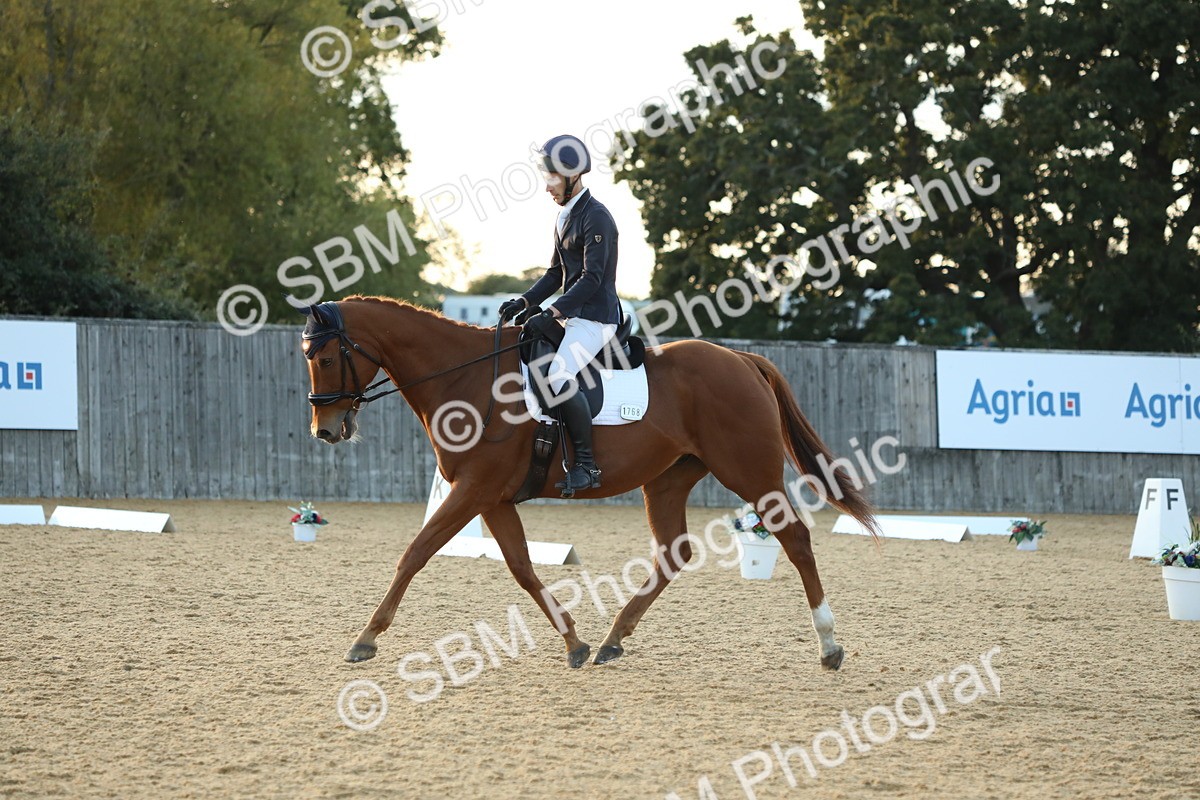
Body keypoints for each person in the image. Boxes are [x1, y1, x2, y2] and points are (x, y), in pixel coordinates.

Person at [499, 134, 622, 495]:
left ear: (572, 176)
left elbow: (592, 278)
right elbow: (556, 274)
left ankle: (586, 464)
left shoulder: (596, 216)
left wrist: (552, 311)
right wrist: (523, 302)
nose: (547, 187)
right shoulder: (565, 216)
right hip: (573, 316)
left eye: (552, 178)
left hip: (597, 318)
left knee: (557, 372)